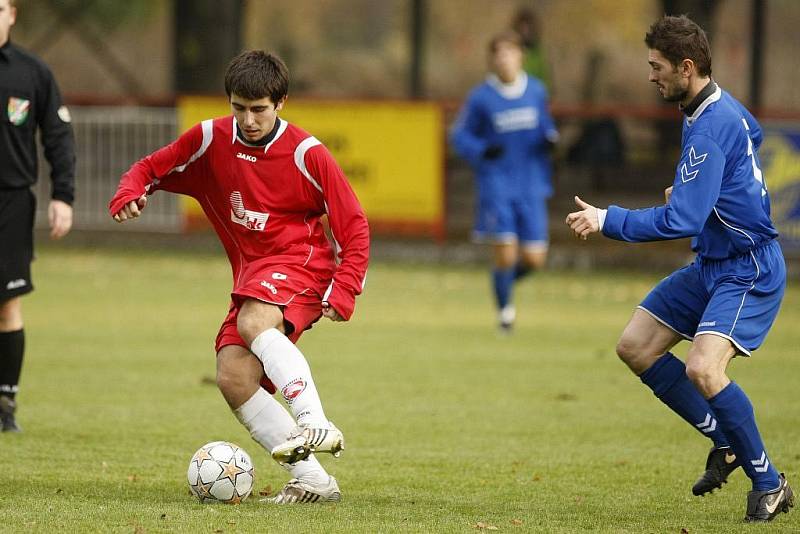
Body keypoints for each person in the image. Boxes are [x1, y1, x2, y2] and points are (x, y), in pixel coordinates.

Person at [109, 50, 369, 504]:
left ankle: (313, 419)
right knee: (233, 377)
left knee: (253, 324)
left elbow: (355, 226)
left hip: (302, 264)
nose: (247, 119)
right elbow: (151, 167)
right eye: (238, 108)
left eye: (259, 109)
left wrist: (344, 289)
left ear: (281, 103)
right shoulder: (210, 139)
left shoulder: (309, 155)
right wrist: (131, 192)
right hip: (253, 275)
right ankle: (313, 480)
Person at [566, 15, 794, 522]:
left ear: (686, 68)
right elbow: (751, 136)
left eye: (657, 67)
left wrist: (607, 218)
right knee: (635, 346)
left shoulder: (709, 125)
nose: (652, 76)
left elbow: (681, 219)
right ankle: (726, 440)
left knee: (702, 369)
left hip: (747, 267)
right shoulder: (711, 107)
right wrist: (717, 192)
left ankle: (770, 483)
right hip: (712, 261)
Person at [0, 0, 75, 433]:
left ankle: (5, 403)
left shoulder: (32, 71)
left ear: (13, 13)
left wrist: (63, 195)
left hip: (10, 202)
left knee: (6, 303)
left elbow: (59, 134)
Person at [451, 30, 558, 332]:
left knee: (534, 259)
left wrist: (550, 139)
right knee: (507, 253)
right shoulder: (481, 97)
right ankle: (505, 315)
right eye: (498, 54)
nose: (504, 59)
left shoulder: (536, 91)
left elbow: (546, 127)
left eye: (509, 53)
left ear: (520, 56)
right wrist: (482, 149)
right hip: (497, 185)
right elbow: (460, 136)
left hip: (531, 184)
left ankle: (501, 283)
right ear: (492, 60)